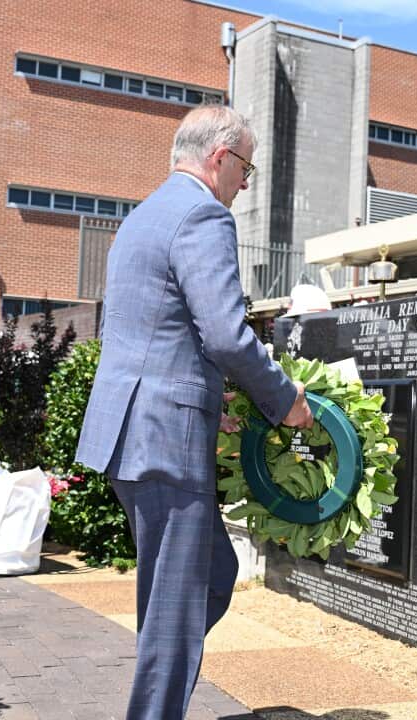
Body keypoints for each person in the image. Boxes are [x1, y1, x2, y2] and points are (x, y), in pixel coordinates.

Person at [75, 105, 314, 720]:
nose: (244, 182)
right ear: (220, 158)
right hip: (162, 437)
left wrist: (212, 402)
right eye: (246, 168)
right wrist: (284, 400)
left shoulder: (141, 217)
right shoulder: (204, 214)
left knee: (209, 571)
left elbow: (155, 330)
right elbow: (228, 336)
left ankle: (160, 670)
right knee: (177, 604)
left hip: (132, 432)